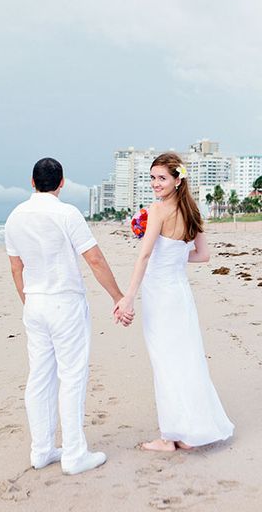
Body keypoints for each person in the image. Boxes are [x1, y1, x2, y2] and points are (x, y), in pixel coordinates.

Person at [5, 157, 133, 476]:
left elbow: (16, 267)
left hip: (34, 303)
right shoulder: (67, 213)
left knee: (39, 377)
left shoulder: (14, 217)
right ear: (62, 183)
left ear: (32, 182)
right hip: (65, 302)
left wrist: (28, 300)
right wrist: (118, 296)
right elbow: (95, 259)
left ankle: (42, 449)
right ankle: (74, 453)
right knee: (72, 377)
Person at [114, 152, 234, 451]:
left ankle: (170, 437)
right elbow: (202, 256)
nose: (155, 183)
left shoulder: (158, 211)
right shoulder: (193, 213)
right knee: (186, 359)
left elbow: (144, 255)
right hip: (180, 295)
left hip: (161, 297)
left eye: (162, 178)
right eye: (152, 177)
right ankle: (191, 430)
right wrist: (174, 257)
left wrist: (128, 296)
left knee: (166, 361)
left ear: (177, 180)